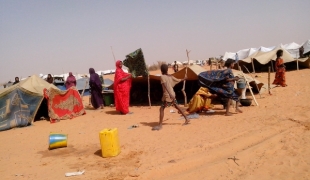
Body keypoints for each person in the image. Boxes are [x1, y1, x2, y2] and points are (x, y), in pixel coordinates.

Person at [152, 64, 189, 131]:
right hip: (172, 94)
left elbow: (165, 87)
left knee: (161, 109)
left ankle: (160, 125)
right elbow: (178, 80)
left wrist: (169, 95)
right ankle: (186, 119)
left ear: (161, 70)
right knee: (177, 106)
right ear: (167, 69)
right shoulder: (170, 76)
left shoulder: (162, 77)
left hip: (168, 95)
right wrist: (184, 78)